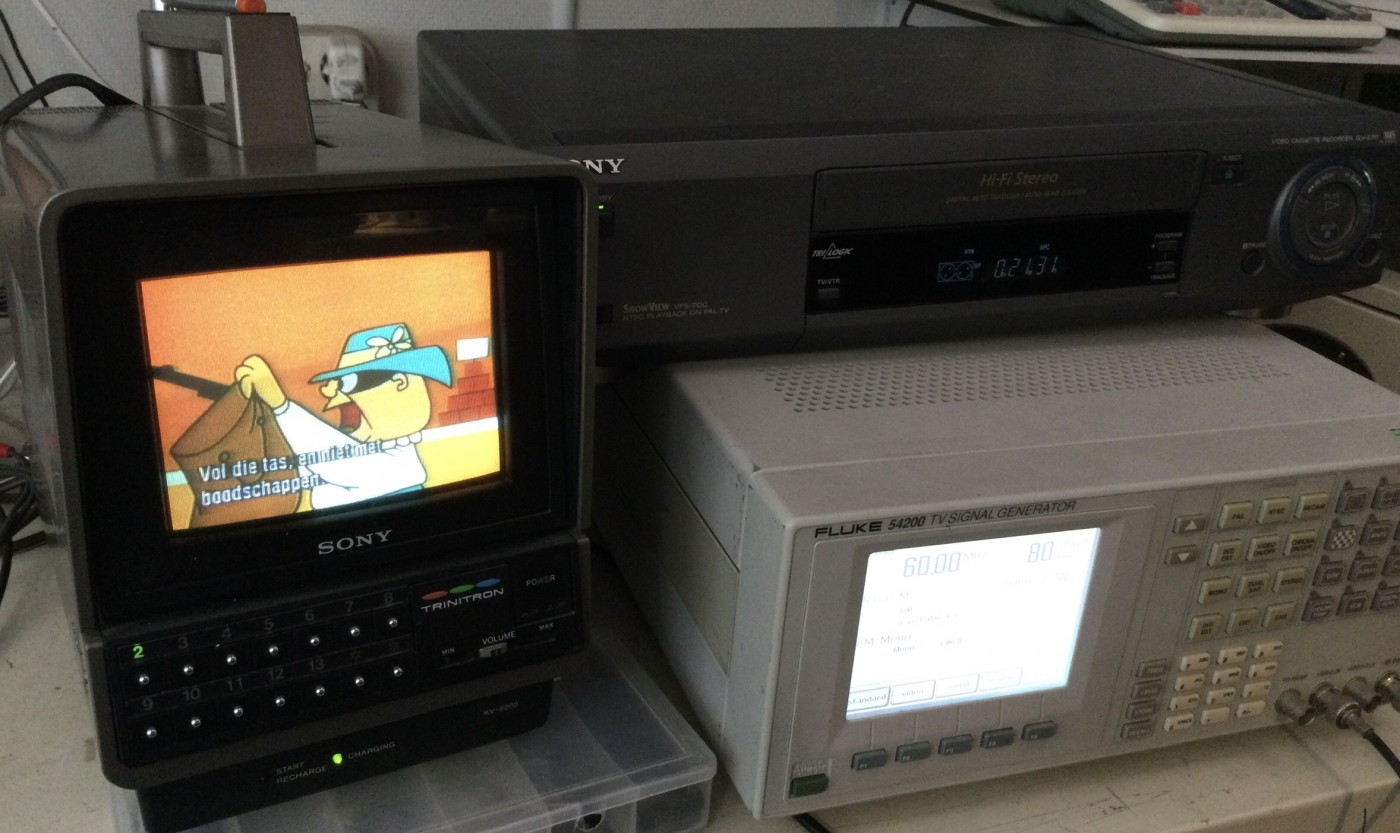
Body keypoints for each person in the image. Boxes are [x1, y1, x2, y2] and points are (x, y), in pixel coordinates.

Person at [234, 323, 453, 509]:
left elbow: (341, 463)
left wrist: (281, 406)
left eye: (347, 383)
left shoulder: (397, 461)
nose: (328, 392)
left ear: (399, 383)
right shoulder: (363, 446)